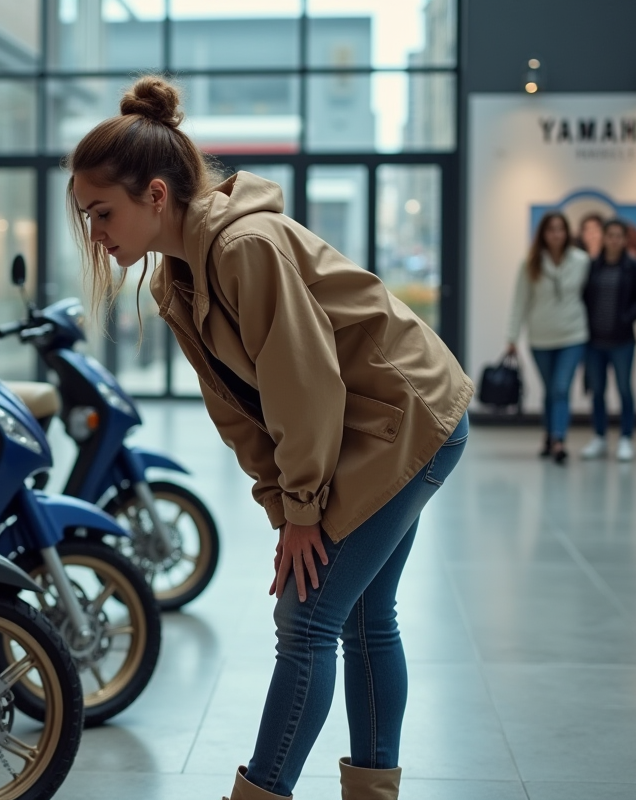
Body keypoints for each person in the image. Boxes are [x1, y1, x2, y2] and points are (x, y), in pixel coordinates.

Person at [66, 76, 473, 800]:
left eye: (102, 213)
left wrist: (307, 508)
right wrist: (285, 508)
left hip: (406, 419)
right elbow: (238, 412)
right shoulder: (174, 281)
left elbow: (303, 385)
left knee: (308, 614)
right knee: (364, 614)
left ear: (155, 195)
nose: (96, 233)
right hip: (364, 422)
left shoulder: (243, 248)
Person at [505, 211, 590, 462]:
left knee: (561, 388)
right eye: (550, 229)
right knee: (550, 390)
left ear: (568, 233)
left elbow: (591, 297)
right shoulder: (530, 263)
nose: (556, 234)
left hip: (574, 335)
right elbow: (519, 302)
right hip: (540, 338)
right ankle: (549, 434)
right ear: (543, 234)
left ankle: (559, 440)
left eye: (560, 229)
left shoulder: (582, 261)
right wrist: (512, 337)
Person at [580, 219, 636, 461]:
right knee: (597, 391)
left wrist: (627, 317)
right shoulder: (593, 266)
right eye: (609, 235)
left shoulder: (633, 267)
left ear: (625, 239)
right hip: (594, 342)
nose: (613, 240)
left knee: (624, 389)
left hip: (623, 342)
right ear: (604, 238)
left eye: (618, 236)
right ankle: (599, 437)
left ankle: (626, 438)